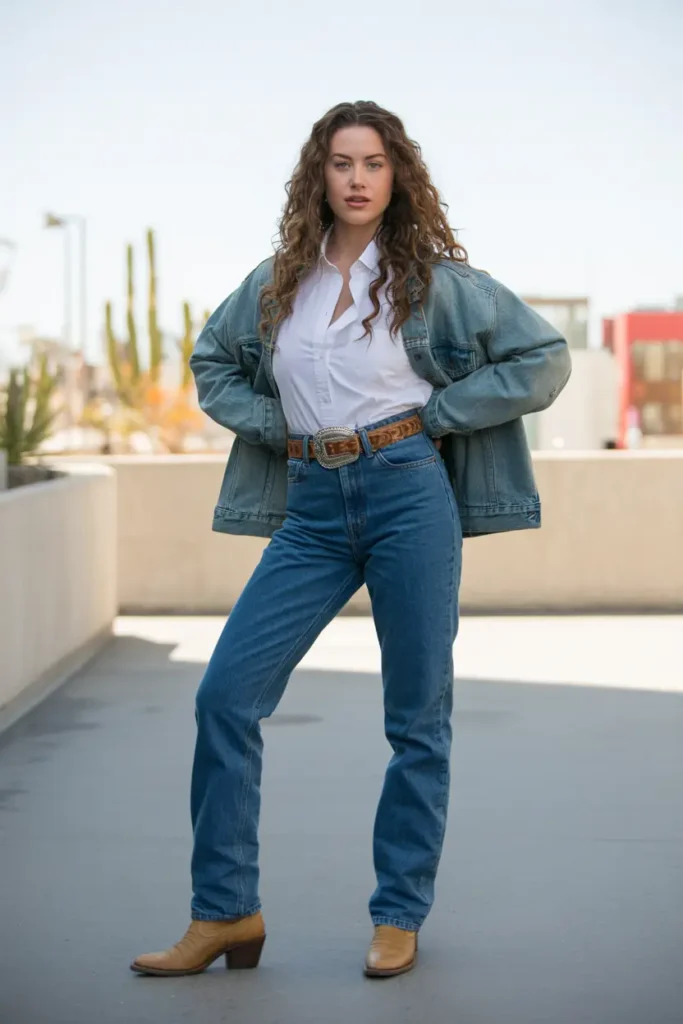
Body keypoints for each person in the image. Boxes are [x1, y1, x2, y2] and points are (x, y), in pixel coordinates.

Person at [131, 100, 571, 980]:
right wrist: (271, 423)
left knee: (416, 718)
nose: (359, 178)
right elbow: (212, 360)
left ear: (396, 174)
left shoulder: (437, 281)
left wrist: (441, 414)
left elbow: (543, 357)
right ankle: (225, 913)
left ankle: (398, 913)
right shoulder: (277, 281)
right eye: (342, 163)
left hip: (410, 493)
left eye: (374, 162)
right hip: (311, 506)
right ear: (318, 176)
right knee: (225, 697)